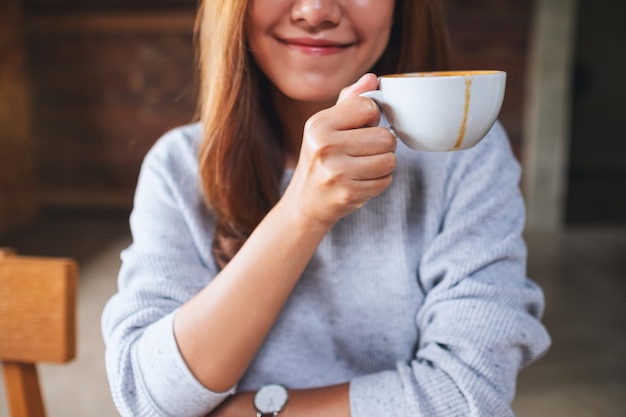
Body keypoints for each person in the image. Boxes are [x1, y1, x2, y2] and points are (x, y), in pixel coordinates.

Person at [101, 0, 551, 416]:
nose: (316, 12)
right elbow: (149, 396)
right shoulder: (179, 166)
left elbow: (469, 394)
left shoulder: (465, 158)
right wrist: (301, 210)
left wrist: (256, 412)